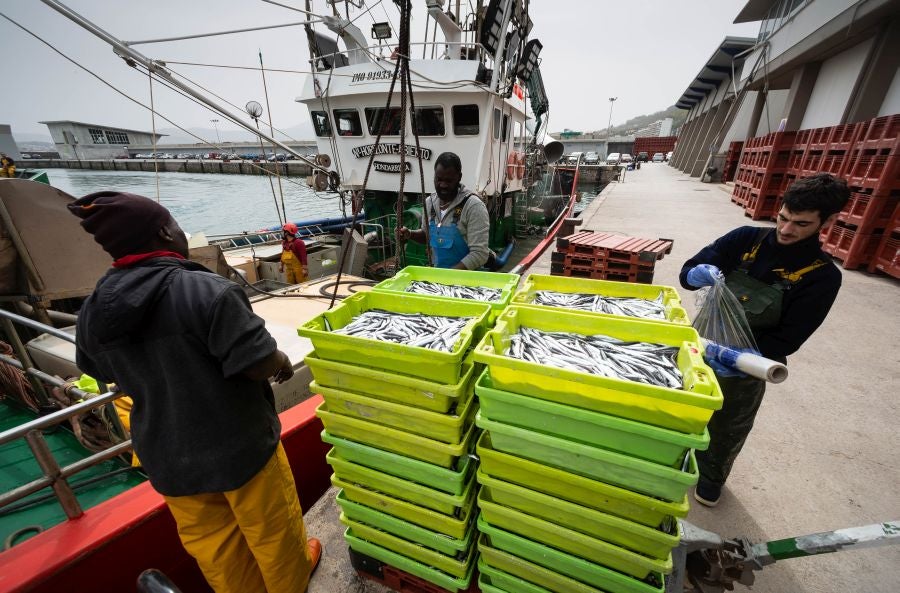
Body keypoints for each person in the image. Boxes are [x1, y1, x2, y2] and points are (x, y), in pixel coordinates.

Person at [68, 191, 321, 593]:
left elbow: (96, 367)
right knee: (275, 536)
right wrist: (280, 360)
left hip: (169, 457)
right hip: (240, 446)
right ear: (166, 231)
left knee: (216, 548)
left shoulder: (95, 308)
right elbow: (256, 362)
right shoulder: (207, 291)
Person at [679, 173, 850, 507]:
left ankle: (712, 477)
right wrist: (696, 273)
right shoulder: (745, 240)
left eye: (801, 224)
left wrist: (736, 358)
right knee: (681, 411)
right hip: (698, 346)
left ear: (827, 221)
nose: (786, 230)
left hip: (747, 364)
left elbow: (788, 339)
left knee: (727, 426)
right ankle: (676, 461)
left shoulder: (822, 277)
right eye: (783, 218)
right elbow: (687, 273)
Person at [398, 151, 492, 270]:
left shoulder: (474, 206)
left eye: (448, 181)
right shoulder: (429, 203)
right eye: (439, 179)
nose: (443, 185)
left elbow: (480, 254)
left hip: (467, 281)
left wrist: (448, 275)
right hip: (438, 276)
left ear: (459, 177)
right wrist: (409, 234)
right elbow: (428, 236)